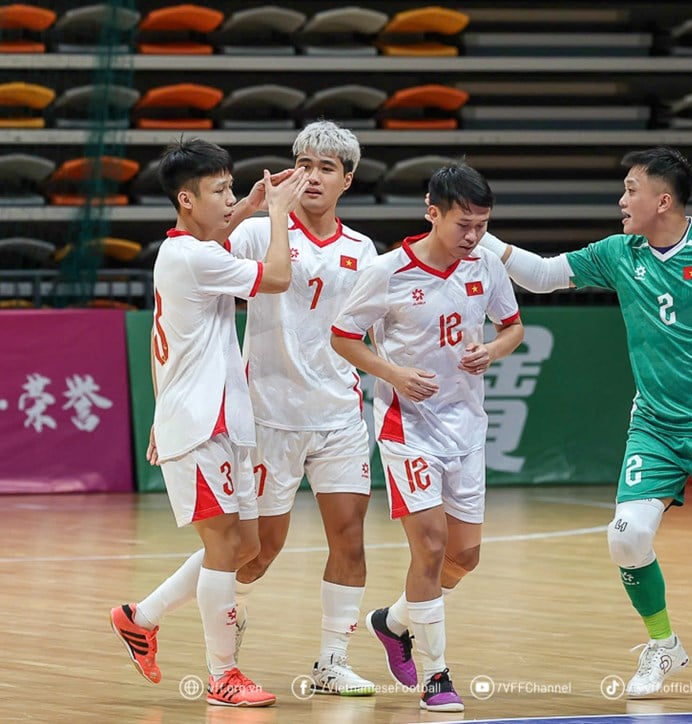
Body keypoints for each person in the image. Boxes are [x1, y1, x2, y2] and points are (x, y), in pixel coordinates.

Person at [476, 146, 692, 700]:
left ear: (663, 200)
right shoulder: (617, 253)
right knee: (626, 538)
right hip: (654, 425)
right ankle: (663, 646)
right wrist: (478, 230)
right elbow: (538, 276)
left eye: (631, 189)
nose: (621, 200)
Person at [109, 138, 307, 707]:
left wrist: (248, 205)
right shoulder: (194, 258)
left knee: (243, 543)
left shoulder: (184, 250)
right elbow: (276, 277)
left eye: (229, 187)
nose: (228, 199)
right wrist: (275, 215)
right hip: (199, 423)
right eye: (219, 191)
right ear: (185, 199)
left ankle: (139, 618)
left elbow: (160, 343)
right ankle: (223, 674)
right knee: (225, 543)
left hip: (212, 417)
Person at [331, 163, 524, 712]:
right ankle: (437, 676)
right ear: (431, 212)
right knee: (433, 547)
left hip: (466, 425)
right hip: (406, 426)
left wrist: (493, 349)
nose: (473, 236)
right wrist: (392, 374)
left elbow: (513, 327)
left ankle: (392, 622)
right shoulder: (388, 270)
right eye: (464, 224)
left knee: (465, 557)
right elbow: (343, 338)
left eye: (482, 225)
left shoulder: (486, 264)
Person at [226, 121, 378, 695]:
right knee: (257, 553)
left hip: (339, 416)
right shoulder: (260, 233)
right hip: (268, 416)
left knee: (351, 539)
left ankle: (332, 663)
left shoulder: (363, 251)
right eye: (304, 164)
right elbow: (199, 255)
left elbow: (375, 332)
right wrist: (250, 209)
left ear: (348, 180)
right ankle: (225, 627)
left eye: (326, 168)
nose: (312, 177)